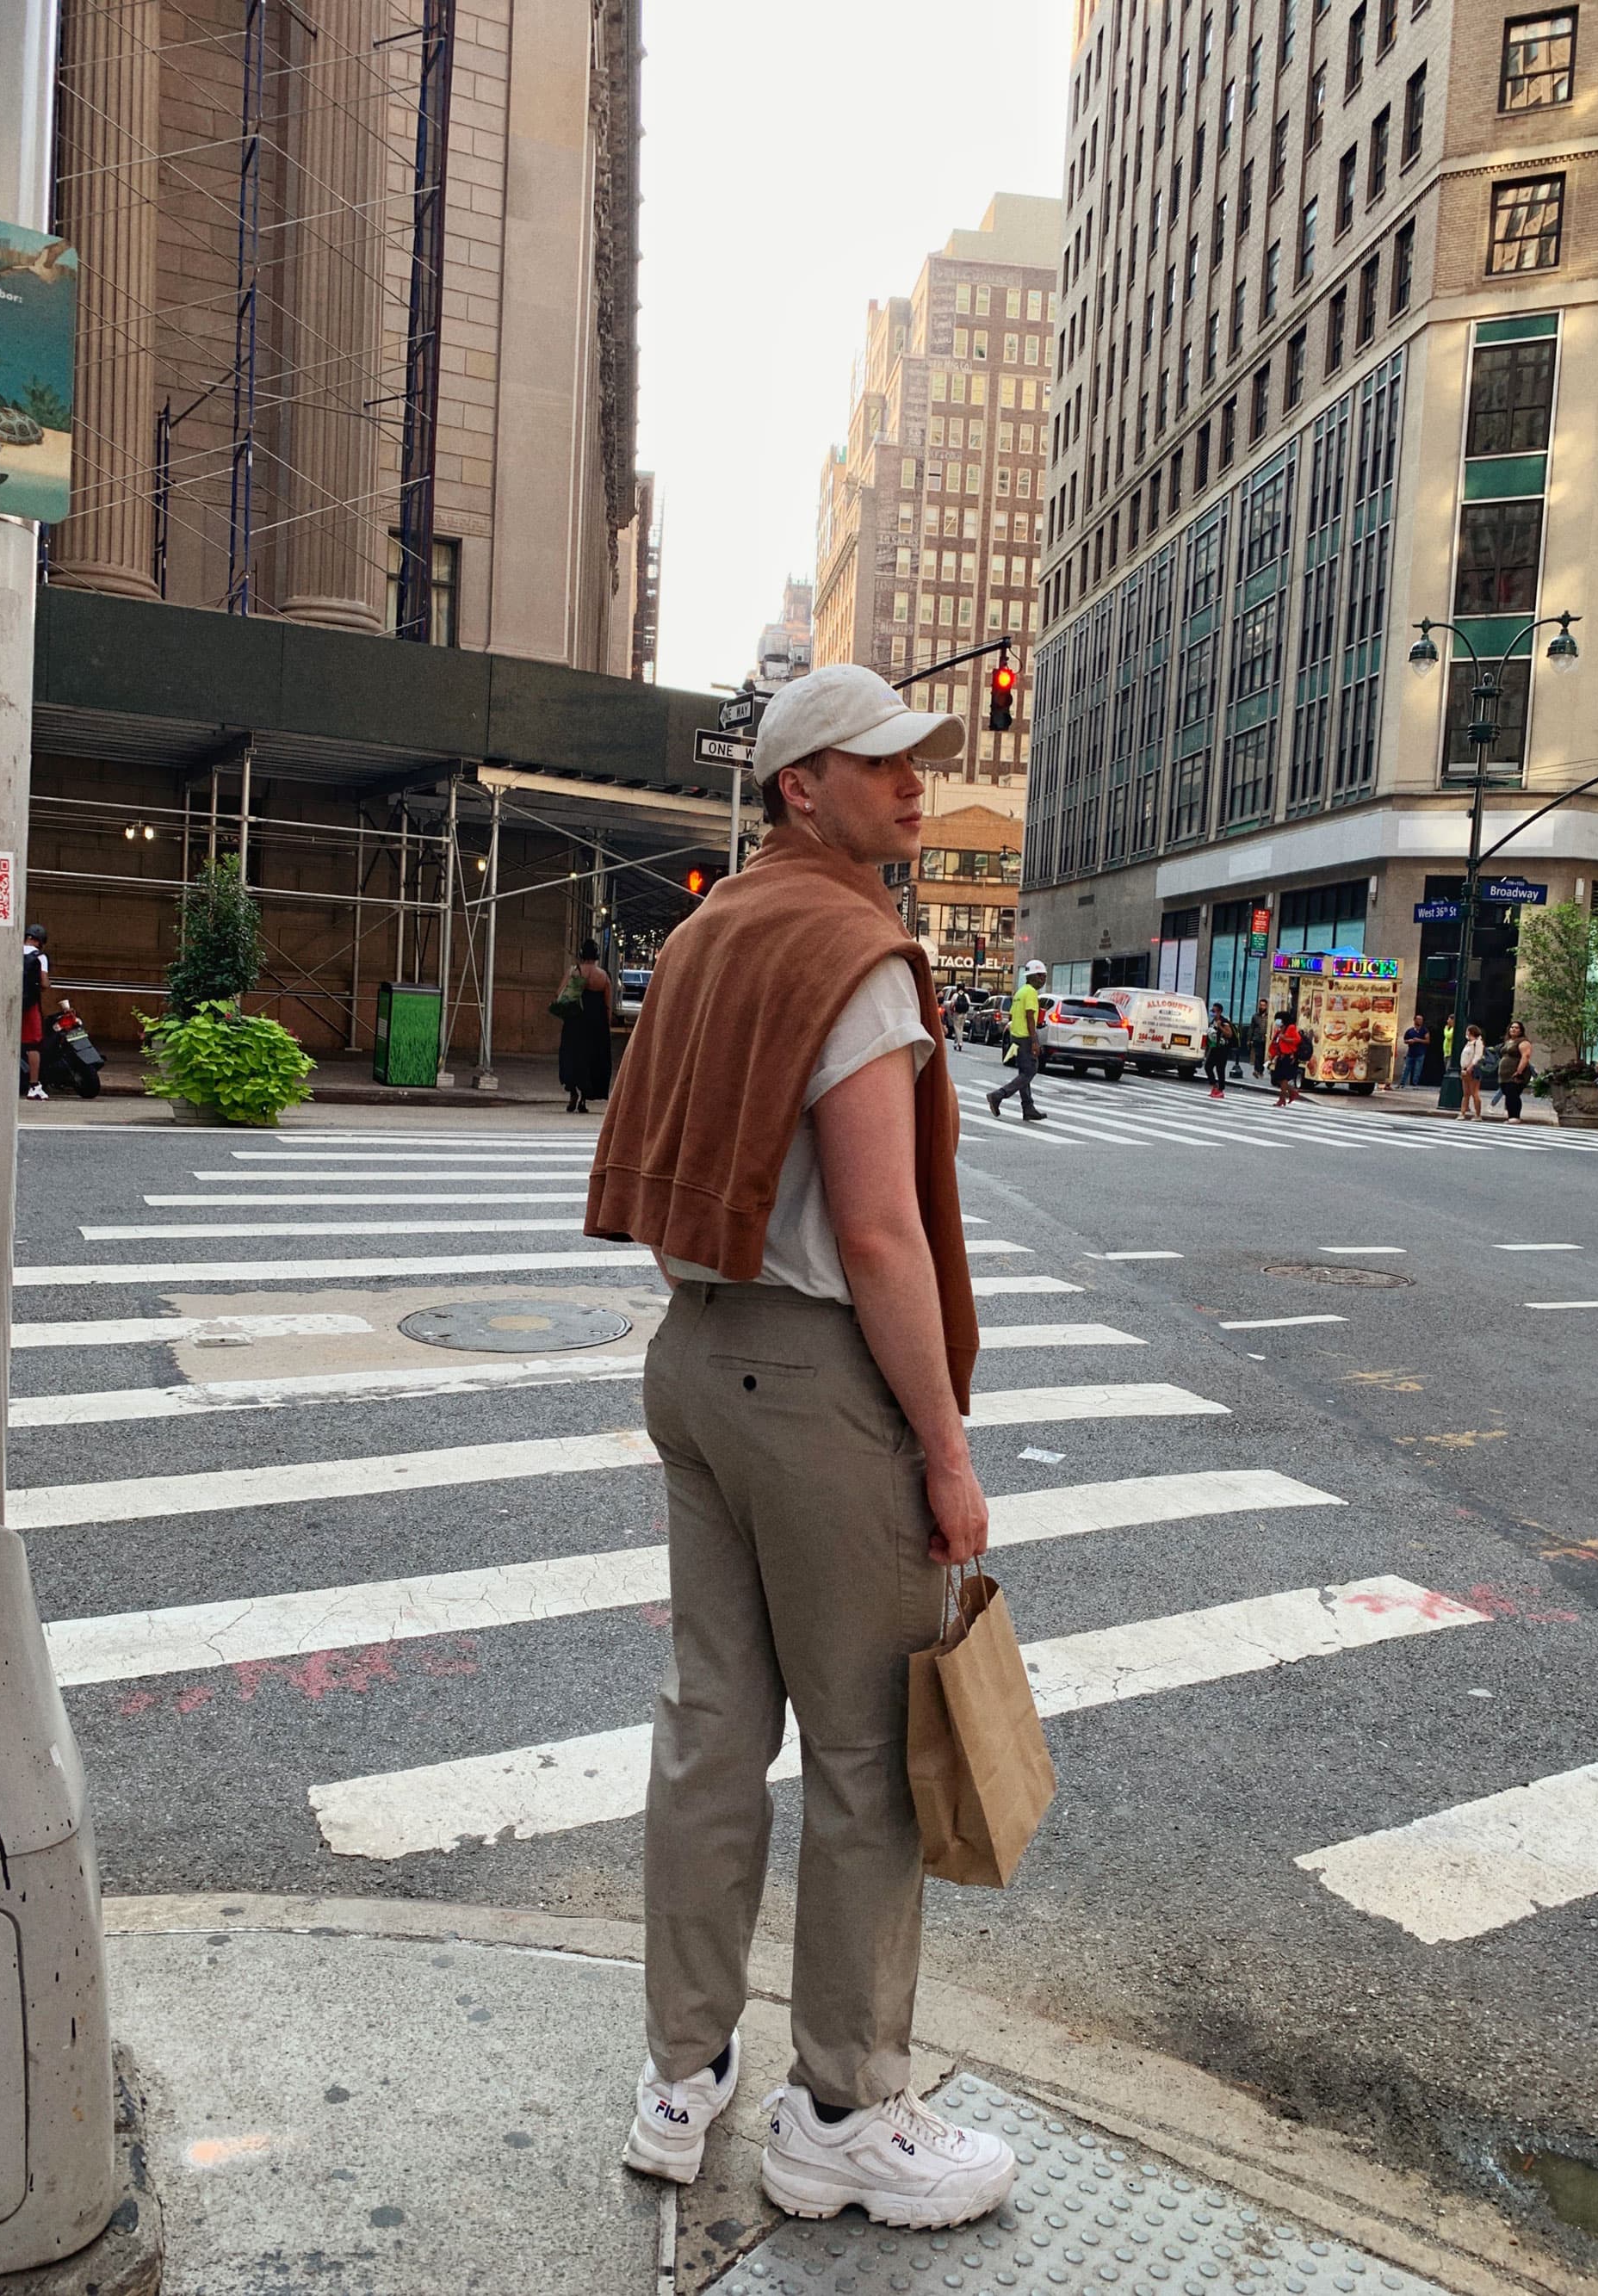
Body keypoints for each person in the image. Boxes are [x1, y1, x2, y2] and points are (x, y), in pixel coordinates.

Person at [588, 661, 1019, 2229]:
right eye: (880, 763)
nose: (914, 786)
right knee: (865, 1760)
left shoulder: (706, 934)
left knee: (712, 1726)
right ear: (798, 786)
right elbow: (885, 1240)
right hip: (815, 1380)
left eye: (920, 762)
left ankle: (678, 2078)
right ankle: (842, 2107)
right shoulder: (858, 951)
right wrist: (948, 1449)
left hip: (695, 1355)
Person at [986, 958, 1050, 1123]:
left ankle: (1028, 1108)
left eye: (1044, 977)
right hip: (1026, 1038)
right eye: (1041, 976)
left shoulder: (1020, 993)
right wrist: (1035, 1041)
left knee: (1024, 1072)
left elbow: (1015, 1016)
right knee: (1030, 1071)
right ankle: (998, 1095)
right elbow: (1029, 1017)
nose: (1043, 980)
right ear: (1033, 977)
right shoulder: (1030, 993)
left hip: (1017, 1036)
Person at [558, 938, 612, 1114]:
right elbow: (608, 1004)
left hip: (576, 1021)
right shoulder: (603, 976)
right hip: (596, 1024)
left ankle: (572, 1091)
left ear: (581, 955)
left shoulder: (575, 971)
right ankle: (583, 1100)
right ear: (596, 956)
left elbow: (560, 992)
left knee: (572, 1055)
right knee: (591, 1059)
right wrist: (607, 1025)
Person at [21, 924, 49, 1100]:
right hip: (30, 1006)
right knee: (33, 1045)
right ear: (40, 941)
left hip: (10, 1003)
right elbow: (44, 983)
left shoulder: (11, 949)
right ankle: (34, 1086)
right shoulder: (40, 957)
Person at [1497, 1019, 1533, 1122]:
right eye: (1512, 1027)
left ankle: (1515, 1116)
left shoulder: (1523, 1042)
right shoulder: (1507, 1041)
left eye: (1516, 1028)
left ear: (1521, 1031)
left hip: (1516, 1073)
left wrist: (1519, 1071)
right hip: (1504, 1075)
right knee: (1507, 1094)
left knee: (1513, 1094)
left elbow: (1525, 1056)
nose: (1513, 1029)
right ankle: (1510, 1116)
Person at [1270, 1011, 1304, 1107]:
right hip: (1281, 1056)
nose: (1277, 1021)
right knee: (1277, 1078)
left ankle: (1282, 1099)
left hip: (1288, 1056)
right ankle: (1292, 1092)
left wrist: (1284, 1038)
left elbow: (1297, 1040)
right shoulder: (1281, 1029)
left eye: (1279, 1019)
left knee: (1283, 1078)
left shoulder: (1291, 1028)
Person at [1203, 1002, 1235, 1098]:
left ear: (1219, 1012)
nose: (1212, 1013)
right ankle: (1214, 1085)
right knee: (1208, 1067)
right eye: (1211, 1011)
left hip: (1222, 1049)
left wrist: (1220, 1026)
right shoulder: (1213, 1021)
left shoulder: (1224, 1021)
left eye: (1214, 1011)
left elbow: (1229, 1034)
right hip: (1214, 1047)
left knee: (1220, 1069)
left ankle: (1220, 1090)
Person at [1459, 1023, 1485, 1121]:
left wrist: (1471, 1067)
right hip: (1465, 1068)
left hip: (1473, 1069)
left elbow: (1477, 1056)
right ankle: (1462, 1112)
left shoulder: (1477, 1043)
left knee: (1474, 1092)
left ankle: (1478, 1114)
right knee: (1466, 1093)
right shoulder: (1468, 1043)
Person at [1400, 1012, 1430, 1088]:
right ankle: (1402, 1083)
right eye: (1418, 1019)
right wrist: (1409, 1041)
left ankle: (1414, 1084)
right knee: (1406, 1068)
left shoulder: (1425, 1031)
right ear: (1414, 1020)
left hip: (1420, 1053)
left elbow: (1427, 1041)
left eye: (1421, 1020)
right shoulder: (1409, 1031)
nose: (1420, 1021)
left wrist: (1418, 1040)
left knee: (1418, 1069)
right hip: (1410, 1053)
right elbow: (1405, 1040)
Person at [1248, 999, 1269, 1080]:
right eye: (1261, 1005)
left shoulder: (1269, 1016)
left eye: (1264, 1005)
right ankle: (1256, 1070)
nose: (1262, 1007)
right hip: (1257, 1038)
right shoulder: (1255, 1016)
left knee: (1263, 1056)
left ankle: (1261, 1071)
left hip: (1266, 1039)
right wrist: (1249, 1039)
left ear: (1266, 1006)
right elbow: (1251, 1028)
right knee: (1257, 1055)